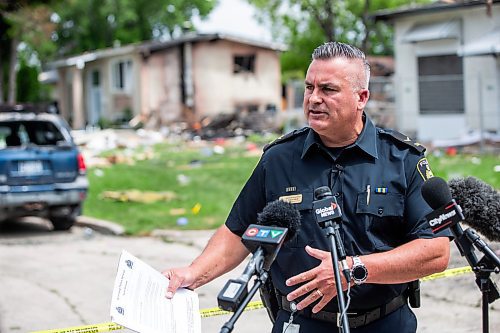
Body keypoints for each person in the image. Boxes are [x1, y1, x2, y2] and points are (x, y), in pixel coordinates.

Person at [163, 41, 451, 333]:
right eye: (309, 87)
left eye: (328, 89)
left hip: (383, 322)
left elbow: (435, 250)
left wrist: (352, 270)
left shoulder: (401, 159)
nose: (314, 98)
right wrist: (192, 274)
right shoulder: (278, 159)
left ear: (361, 97)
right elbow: (238, 232)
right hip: (300, 322)